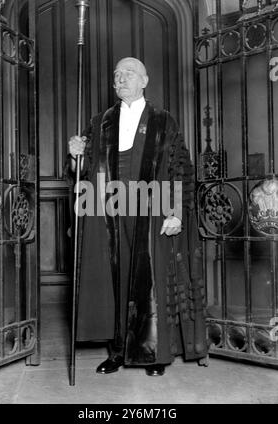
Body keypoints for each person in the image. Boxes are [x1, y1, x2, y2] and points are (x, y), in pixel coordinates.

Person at [66, 57, 207, 376]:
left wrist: (176, 213)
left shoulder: (163, 120)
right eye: (116, 74)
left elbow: (179, 168)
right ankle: (116, 352)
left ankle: (153, 355)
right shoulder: (99, 121)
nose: (120, 78)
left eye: (128, 73)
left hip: (152, 208)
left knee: (149, 281)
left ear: (144, 80)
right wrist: (75, 157)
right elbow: (83, 172)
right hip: (109, 211)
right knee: (115, 279)